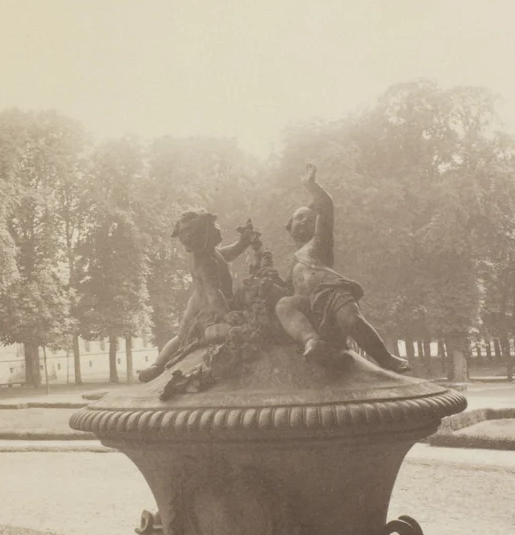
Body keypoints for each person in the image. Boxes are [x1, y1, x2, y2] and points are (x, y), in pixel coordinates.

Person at [276, 164, 411, 373]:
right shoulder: (294, 260)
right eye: (298, 218)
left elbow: (326, 207)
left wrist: (312, 187)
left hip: (331, 292)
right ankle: (311, 340)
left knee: (352, 321)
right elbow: (288, 289)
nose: (304, 222)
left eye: (310, 219)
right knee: (284, 304)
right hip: (308, 305)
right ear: (289, 226)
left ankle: (385, 358)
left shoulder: (320, 242)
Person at [138, 211, 260, 383]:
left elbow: (226, 254)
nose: (218, 231)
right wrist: (226, 314)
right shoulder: (203, 261)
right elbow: (212, 292)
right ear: (203, 236)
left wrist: (242, 242)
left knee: (181, 336)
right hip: (206, 306)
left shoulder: (210, 252)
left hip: (202, 300)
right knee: (182, 337)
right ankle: (157, 365)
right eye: (213, 229)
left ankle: (157, 365)